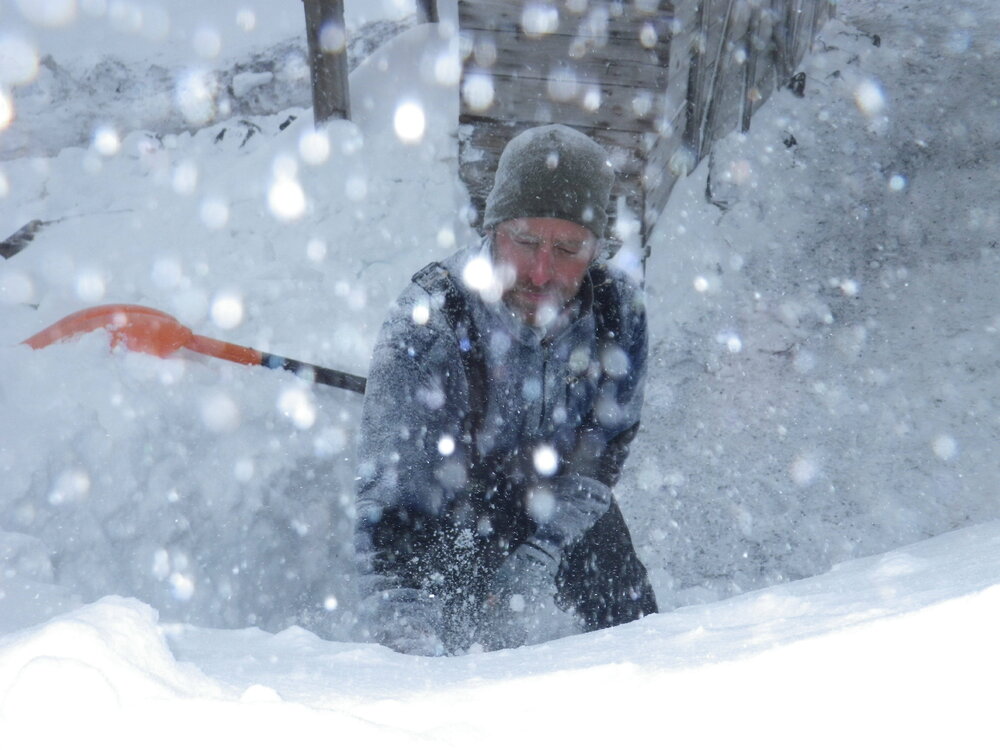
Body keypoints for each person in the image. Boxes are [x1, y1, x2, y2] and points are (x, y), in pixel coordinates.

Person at [354, 124, 657, 655]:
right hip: (449, 515)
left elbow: (600, 460)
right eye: (525, 241)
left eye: (567, 248)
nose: (541, 272)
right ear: (493, 229)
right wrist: (405, 653)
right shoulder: (430, 324)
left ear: (596, 250)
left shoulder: (617, 315)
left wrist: (539, 557)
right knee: (456, 654)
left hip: (559, 503)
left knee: (641, 638)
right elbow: (392, 515)